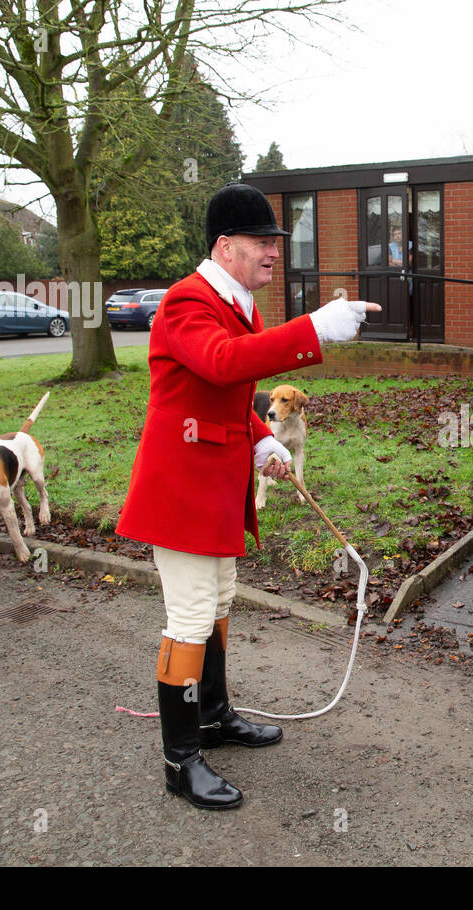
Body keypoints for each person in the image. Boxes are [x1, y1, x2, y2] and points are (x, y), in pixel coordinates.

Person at [116, 182, 379, 810]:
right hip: (181, 491)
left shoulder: (237, 302)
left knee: (221, 602)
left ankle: (213, 716)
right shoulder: (185, 301)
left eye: (273, 243)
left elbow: (230, 392)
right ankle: (179, 759)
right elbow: (223, 362)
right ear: (225, 246)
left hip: (218, 483)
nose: (272, 253)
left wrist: (262, 438)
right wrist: (313, 327)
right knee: (188, 616)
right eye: (262, 242)